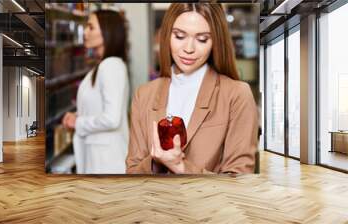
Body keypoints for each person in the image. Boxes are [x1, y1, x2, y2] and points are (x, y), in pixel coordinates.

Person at [126, 3, 258, 174]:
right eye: (179, 36)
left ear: (215, 42)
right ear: (167, 36)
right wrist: (155, 162)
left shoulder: (237, 94)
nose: (189, 49)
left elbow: (239, 182)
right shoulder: (144, 95)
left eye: (202, 39)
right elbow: (131, 173)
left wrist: (180, 166)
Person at [62, 10, 129, 174]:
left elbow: (112, 119)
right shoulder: (104, 65)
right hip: (101, 158)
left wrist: (77, 123)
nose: (85, 32)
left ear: (107, 32)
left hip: (106, 161)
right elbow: (100, 108)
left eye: (91, 27)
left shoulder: (110, 66)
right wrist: (78, 115)